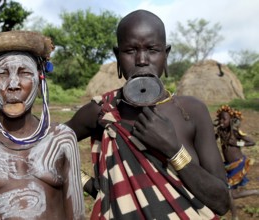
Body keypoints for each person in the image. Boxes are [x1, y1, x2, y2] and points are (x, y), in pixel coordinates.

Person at [66, 9, 230, 219]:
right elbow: (49, 146)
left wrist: (173, 150)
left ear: (166, 54)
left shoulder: (192, 111)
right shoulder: (103, 111)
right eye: (130, 50)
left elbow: (222, 202)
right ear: (117, 56)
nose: (142, 60)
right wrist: (89, 185)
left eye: (152, 49)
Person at [0, 31, 85, 220]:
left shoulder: (62, 139)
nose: (13, 84)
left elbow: (77, 216)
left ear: (40, 82)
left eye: (24, 73)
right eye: (1, 74)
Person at [214, 105, 258, 219]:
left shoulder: (235, 132)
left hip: (239, 163)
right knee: (233, 194)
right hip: (228, 166)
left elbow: (252, 142)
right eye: (220, 119)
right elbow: (211, 139)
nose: (222, 121)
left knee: (228, 192)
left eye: (225, 119)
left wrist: (238, 144)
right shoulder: (220, 131)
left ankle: (235, 217)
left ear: (231, 120)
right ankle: (256, 192)